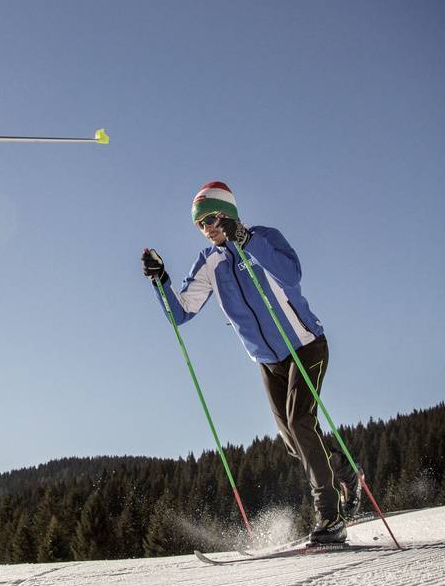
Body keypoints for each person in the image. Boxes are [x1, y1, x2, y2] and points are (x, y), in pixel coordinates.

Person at [141, 181, 360, 545]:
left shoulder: (263, 238)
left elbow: (292, 274)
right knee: (293, 441)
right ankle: (346, 473)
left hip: (305, 345)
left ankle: (330, 517)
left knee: (300, 422)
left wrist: (245, 239)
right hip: (268, 361)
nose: (207, 228)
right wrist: (160, 280)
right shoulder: (208, 263)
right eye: (200, 224)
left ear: (229, 213)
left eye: (212, 218)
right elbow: (181, 313)